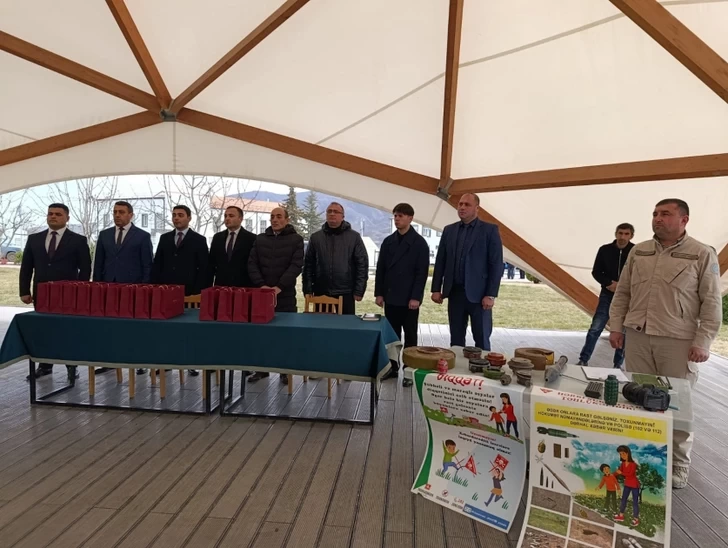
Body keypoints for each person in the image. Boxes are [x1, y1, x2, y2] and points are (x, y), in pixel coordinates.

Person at [609, 198, 721, 489]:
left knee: (677, 404)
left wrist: (703, 341)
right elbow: (623, 293)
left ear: (684, 220)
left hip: (678, 341)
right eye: (655, 214)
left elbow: (711, 301)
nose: (658, 218)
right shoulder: (640, 251)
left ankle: (678, 465)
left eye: (666, 214)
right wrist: (616, 327)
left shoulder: (701, 253)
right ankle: (643, 459)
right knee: (640, 398)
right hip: (639, 337)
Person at [19, 203, 91, 382]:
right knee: (43, 330)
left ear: (67, 218)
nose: (53, 217)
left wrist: (80, 292)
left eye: (58, 214)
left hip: (68, 294)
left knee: (67, 331)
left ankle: (71, 366)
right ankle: (44, 366)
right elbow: (26, 267)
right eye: (50, 214)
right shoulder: (34, 239)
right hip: (41, 293)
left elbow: (85, 269)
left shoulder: (78, 240)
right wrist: (24, 291)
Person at [431, 193, 503, 350]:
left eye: (467, 205)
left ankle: (482, 366)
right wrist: (436, 288)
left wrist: (490, 294)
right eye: (460, 204)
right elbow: (441, 261)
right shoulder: (449, 230)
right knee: (456, 341)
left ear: (477, 208)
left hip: (479, 296)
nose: (462, 207)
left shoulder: (489, 230)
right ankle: (457, 366)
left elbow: (496, 265)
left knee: (481, 339)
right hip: (455, 293)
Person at [93, 201, 153, 375]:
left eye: (121, 212)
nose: (117, 215)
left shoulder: (142, 236)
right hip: (108, 286)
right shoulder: (104, 235)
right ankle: (110, 360)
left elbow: (147, 265)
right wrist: (97, 285)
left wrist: (144, 288)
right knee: (110, 326)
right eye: (115, 212)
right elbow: (98, 263)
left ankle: (139, 361)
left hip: (133, 288)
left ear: (130, 215)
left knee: (135, 327)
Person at [246, 207, 304, 384]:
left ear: (287, 219)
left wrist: (279, 287)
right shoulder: (260, 239)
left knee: (284, 334)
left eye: (279, 216)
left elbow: (296, 266)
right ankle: (261, 369)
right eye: (272, 217)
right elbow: (252, 263)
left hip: (284, 295)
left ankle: (284, 371)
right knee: (261, 334)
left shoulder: (296, 239)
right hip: (262, 294)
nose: (275, 220)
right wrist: (261, 285)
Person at [374, 203, 429, 386]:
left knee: (410, 336)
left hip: (409, 299)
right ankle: (392, 367)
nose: (397, 219)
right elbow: (381, 269)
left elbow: (421, 273)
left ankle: (409, 371)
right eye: (395, 215)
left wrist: (416, 297)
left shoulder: (419, 243)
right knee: (392, 336)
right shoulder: (388, 241)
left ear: (410, 218)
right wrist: (379, 293)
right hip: (391, 297)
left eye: (401, 216)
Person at [151, 205, 209, 377]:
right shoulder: (165, 238)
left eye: (181, 215)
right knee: (167, 329)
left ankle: (191, 362)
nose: (176, 218)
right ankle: (167, 361)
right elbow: (157, 264)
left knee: (189, 329)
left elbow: (204, 269)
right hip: (167, 292)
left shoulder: (199, 240)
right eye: (174, 215)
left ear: (189, 218)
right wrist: (157, 288)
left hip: (190, 291)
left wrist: (198, 292)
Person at [577, 223, 635, 368]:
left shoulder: (636, 252)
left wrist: (623, 286)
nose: (622, 237)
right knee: (596, 327)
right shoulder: (605, 250)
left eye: (626, 234)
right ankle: (584, 359)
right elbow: (596, 271)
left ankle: (617, 364)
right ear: (615, 234)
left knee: (624, 330)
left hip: (627, 297)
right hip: (607, 294)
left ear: (631, 236)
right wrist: (609, 283)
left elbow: (639, 273)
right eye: (620, 233)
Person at [303, 202, 368, 315]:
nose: (332, 214)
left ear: (343, 216)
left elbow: (362, 264)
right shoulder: (316, 238)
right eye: (329, 211)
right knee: (321, 323)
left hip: (346, 291)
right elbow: (308, 265)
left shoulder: (354, 237)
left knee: (345, 324)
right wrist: (308, 289)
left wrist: (359, 290)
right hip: (321, 291)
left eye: (336, 212)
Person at [207, 206, 256, 288]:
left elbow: (253, 264)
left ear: (240, 218)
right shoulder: (217, 237)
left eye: (231, 216)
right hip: (221, 286)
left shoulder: (252, 238)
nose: (227, 218)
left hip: (243, 286)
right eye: (225, 216)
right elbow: (212, 263)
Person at [613, 445, 640, 526]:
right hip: (627, 484)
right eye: (620, 454)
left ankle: (636, 519)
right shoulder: (623, 464)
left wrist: (621, 473)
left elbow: (630, 474)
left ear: (628, 453)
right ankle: (621, 516)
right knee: (623, 499)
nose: (622, 455)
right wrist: (611, 475)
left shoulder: (633, 464)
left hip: (634, 485)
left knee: (635, 502)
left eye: (623, 453)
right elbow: (618, 472)